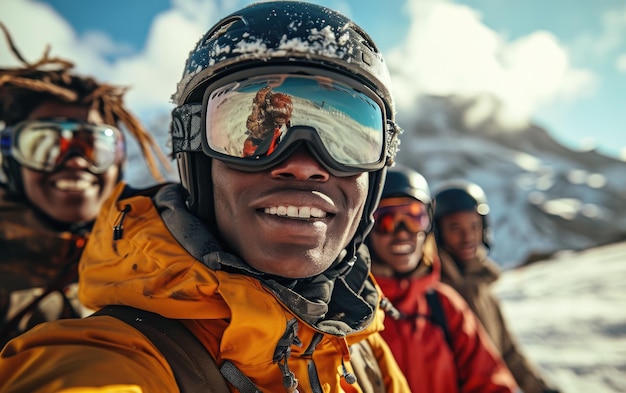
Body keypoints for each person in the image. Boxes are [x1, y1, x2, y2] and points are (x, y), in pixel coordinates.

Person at [0, 2, 410, 392]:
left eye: (351, 140)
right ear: (193, 150)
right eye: (45, 145)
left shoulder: (362, 353)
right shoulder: (117, 355)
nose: (304, 165)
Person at [0, 22, 171, 346]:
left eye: (94, 146)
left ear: (119, 160)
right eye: (45, 145)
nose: (76, 161)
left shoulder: (160, 263)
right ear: (12, 161)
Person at [366, 165, 518, 392]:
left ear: (429, 226)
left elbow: (490, 382)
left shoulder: (445, 305)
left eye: (414, 217)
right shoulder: (350, 312)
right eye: (386, 219)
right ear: (366, 227)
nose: (401, 233)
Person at [434, 179, 560, 393]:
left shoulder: (483, 289)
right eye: (455, 228)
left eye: (475, 226)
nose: (468, 237)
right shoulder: (434, 292)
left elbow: (508, 352)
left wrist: (541, 389)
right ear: (438, 232)